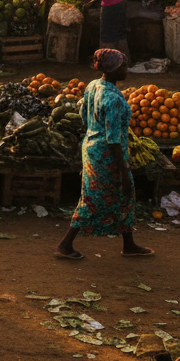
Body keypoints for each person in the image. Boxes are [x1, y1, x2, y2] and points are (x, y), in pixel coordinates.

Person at [55, 49, 154, 260]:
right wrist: (124, 168)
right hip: (107, 156)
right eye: (123, 65)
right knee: (93, 199)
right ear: (112, 68)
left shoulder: (93, 85)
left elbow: (83, 113)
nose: (127, 69)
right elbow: (113, 139)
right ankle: (65, 245)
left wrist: (94, 130)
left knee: (122, 198)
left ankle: (129, 244)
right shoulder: (112, 99)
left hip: (91, 147)